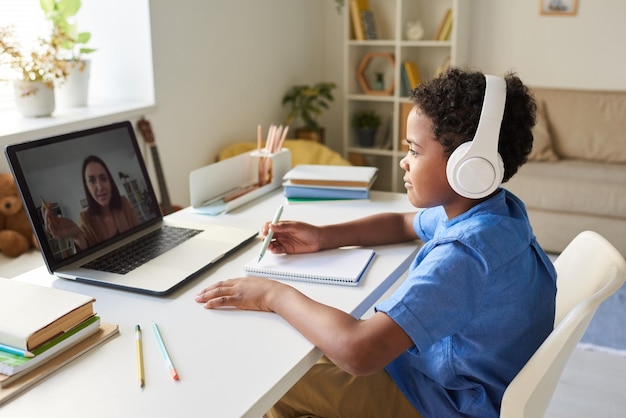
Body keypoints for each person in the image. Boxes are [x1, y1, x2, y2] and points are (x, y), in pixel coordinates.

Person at [195, 68, 557, 418]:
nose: (404, 161)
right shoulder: (495, 214)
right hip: (440, 383)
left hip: (440, 404)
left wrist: (273, 294)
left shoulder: (464, 255)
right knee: (307, 350)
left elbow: (359, 351)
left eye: (414, 151)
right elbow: (402, 223)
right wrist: (323, 237)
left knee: (276, 383)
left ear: (470, 167)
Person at [44, 155, 140, 250]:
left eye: (103, 178)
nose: (100, 187)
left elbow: (140, 235)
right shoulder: (85, 219)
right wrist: (77, 235)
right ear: (87, 187)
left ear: (110, 181)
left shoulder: (124, 203)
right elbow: (88, 253)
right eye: (92, 181)